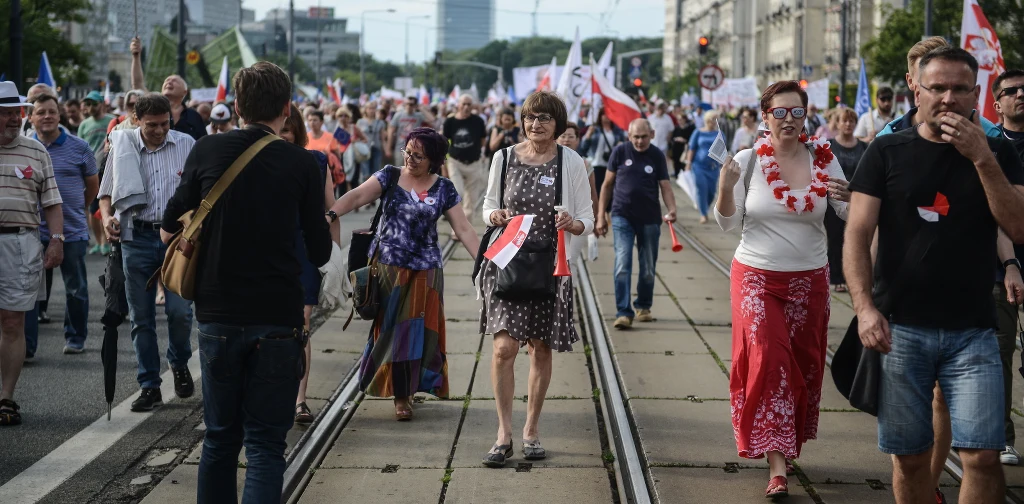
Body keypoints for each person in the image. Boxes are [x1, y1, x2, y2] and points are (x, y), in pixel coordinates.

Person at [844, 47, 1024, 504]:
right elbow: (858, 234)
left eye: (960, 89)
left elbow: (1017, 225)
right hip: (900, 328)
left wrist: (981, 157)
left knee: (983, 458)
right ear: (915, 88)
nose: (948, 99)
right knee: (910, 458)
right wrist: (864, 309)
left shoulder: (998, 150)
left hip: (974, 331)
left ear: (977, 93)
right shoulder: (886, 149)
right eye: (937, 88)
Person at [160, 62, 331, 503]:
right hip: (277, 315)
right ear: (286, 108)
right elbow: (320, 251)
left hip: (218, 311)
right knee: (266, 445)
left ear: (236, 106)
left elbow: (167, 224)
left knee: (219, 438)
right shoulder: (302, 163)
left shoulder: (206, 150)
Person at [715, 81, 851, 499]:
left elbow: (849, 213)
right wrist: (724, 187)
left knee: (805, 364)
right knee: (769, 357)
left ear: (805, 116)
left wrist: (852, 197)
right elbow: (725, 222)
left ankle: (786, 440)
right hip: (756, 275)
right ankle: (777, 465)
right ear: (765, 116)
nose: (788, 120)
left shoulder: (825, 161)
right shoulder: (747, 160)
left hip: (810, 279)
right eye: (780, 112)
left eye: (796, 112)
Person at [325, 128, 478, 422]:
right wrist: (332, 214)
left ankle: (405, 392)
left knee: (421, 332)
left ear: (432, 159)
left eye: (418, 155)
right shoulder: (389, 175)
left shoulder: (444, 187)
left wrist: (483, 263)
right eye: (407, 151)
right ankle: (399, 392)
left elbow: (464, 229)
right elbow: (357, 196)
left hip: (427, 270)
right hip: (388, 267)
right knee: (393, 331)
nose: (409, 158)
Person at [477, 91, 594, 467]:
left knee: (539, 349)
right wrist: (495, 217)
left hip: (550, 267)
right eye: (530, 117)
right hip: (508, 264)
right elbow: (487, 205)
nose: (535, 124)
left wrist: (572, 224)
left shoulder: (571, 161)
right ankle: (503, 433)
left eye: (544, 118)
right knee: (503, 350)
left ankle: (531, 430)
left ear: (558, 124)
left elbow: (587, 220)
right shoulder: (504, 157)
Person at [98, 93, 196, 412]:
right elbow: (106, 193)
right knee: (141, 317)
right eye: (152, 125)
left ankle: (179, 362)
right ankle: (149, 385)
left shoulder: (186, 144)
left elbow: (201, 192)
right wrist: (109, 217)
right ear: (137, 120)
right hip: (136, 236)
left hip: (178, 239)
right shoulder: (122, 145)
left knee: (180, 312)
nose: (159, 131)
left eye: (164, 124)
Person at [0, 82, 64, 425]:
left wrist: (56, 239)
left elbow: (52, 202)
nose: (14, 118)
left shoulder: (36, 151)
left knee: (12, 321)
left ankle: (5, 398)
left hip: (21, 243)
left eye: (16, 111)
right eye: (6, 112)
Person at [23, 95, 98, 357]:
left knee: (75, 287)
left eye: (52, 111)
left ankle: (76, 337)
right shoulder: (23, 147)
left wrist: (78, 210)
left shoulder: (80, 147)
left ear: (59, 115)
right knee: (29, 291)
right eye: (40, 112)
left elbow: (92, 186)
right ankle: (26, 347)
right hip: (31, 230)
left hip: (72, 230)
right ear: (30, 118)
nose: (47, 116)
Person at [278, 104, 339, 424]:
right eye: (280, 129)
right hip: (271, 251)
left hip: (305, 251)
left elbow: (332, 209)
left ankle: (300, 400)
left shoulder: (317, 161)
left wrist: (335, 259)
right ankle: (275, 394)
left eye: (289, 130)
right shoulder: (260, 160)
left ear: (298, 131)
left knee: (300, 325)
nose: (283, 135)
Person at [595, 118, 676, 329]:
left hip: (649, 218)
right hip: (622, 215)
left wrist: (672, 209)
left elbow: (665, 186)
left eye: (643, 137)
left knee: (648, 267)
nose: (639, 141)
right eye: (635, 137)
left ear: (652, 134)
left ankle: (643, 306)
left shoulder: (657, 155)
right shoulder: (620, 152)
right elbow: (607, 185)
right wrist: (601, 215)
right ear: (629, 136)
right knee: (622, 263)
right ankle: (623, 311)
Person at [991, 69, 1024, 466]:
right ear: (997, 104)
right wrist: (1010, 263)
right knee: (998, 354)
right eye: (1012, 91)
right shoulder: (991, 148)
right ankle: (1001, 437)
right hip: (1004, 266)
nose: (1021, 95)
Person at [129, 37, 207, 141]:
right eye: (167, 80)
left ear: (185, 92)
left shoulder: (194, 116)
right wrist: (136, 56)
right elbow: (138, 84)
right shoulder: (150, 106)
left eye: (175, 80)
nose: (169, 82)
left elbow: (202, 142)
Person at [825, 108, 867, 293]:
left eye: (852, 121)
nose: (848, 124)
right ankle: (836, 277)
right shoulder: (828, 146)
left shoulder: (864, 147)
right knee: (835, 239)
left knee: (854, 239)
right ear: (838, 123)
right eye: (845, 121)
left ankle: (854, 277)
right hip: (833, 201)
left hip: (856, 200)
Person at [443, 95, 489, 225]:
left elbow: (483, 139)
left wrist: (481, 154)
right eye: (464, 104)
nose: (466, 107)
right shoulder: (450, 122)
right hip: (455, 161)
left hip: (474, 163)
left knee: (471, 201)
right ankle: (455, 225)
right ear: (458, 105)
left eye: (469, 104)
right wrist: (443, 165)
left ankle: (465, 229)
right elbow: (444, 143)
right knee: (458, 193)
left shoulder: (478, 121)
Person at [557, 123, 598, 262]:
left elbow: (593, 194)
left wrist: (595, 219)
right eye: (563, 136)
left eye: (570, 136)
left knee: (570, 261)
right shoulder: (547, 162)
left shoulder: (585, 164)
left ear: (577, 140)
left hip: (578, 220)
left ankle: (571, 285)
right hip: (555, 221)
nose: (566, 140)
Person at [685, 110, 724, 223]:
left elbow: (722, 151)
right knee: (701, 188)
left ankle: (704, 206)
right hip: (698, 166)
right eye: (713, 119)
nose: (715, 122)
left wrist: (723, 166)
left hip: (713, 167)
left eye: (717, 119)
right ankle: (703, 213)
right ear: (707, 120)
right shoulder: (698, 132)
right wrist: (688, 163)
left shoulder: (719, 134)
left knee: (711, 192)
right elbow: (692, 148)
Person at [580, 108, 626, 198]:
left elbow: (622, 148)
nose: (607, 117)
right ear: (600, 116)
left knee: (608, 190)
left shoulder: (617, 131)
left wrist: (620, 145)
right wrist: (588, 135)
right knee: (595, 191)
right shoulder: (594, 129)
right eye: (604, 114)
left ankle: (605, 210)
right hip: (594, 164)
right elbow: (583, 147)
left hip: (609, 165)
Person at [387, 96, 433, 166]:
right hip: (400, 147)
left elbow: (432, 120)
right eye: (407, 104)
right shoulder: (398, 115)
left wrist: (421, 109)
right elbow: (391, 131)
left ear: (414, 106)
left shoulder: (419, 116)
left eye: (411, 104)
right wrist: (389, 148)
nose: (408, 106)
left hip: (414, 148)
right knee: (399, 169)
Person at [78, 91, 116, 157]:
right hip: (90, 162)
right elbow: (79, 147)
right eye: (88, 104)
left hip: (108, 161)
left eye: (94, 103)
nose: (91, 107)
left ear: (102, 104)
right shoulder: (83, 125)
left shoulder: (112, 120)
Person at [356, 101, 386, 185]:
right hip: (364, 149)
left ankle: (373, 189)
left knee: (376, 172)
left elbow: (383, 138)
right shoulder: (360, 122)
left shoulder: (380, 122)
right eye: (369, 108)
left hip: (376, 147)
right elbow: (357, 136)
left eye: (373, 108)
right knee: (365, 171)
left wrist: (386, 149)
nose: (371, 110)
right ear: (365, 110)